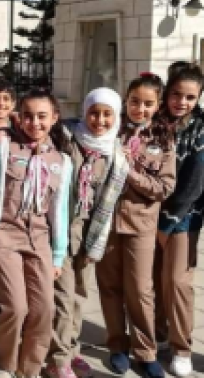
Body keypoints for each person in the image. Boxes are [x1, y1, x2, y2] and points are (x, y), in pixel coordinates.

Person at [0, 90, 72, 378]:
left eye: (42, 116)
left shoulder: (61, 161)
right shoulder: (2, 149)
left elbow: (59, 211)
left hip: (39, 239)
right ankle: (5, 364)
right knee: (14, 306)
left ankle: (29, 369)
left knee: (44, 309)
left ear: (54, 118)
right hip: (3, 234)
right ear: (18, 117)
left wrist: (58, 254)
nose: (34, 122)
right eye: (27, 115)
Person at [49, 88, 131, 378]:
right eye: (94, 112)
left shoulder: (117, 155)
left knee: (79, 294)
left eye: (107, 114)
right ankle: (57, 361)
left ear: (116, 117)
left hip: (91, 230)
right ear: (84, 112)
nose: (99, 120)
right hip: (61, 227)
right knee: (62, 295)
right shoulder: (67, 138)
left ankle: (71, 350)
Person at [100, 75, 178, 376]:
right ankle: (117, 345)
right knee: (109, 286)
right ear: (125, 101)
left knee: (141, 290)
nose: (139, 109)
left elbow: (163, 187)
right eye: (134, 101)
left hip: (140, 223)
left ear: (157, 106)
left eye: (148, 103)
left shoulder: (162, 140)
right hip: (106, 221)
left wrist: (129, 173)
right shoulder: (110, 131)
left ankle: (145, 352)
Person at [154, 64, 204, 377]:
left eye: (190, 97)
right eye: (176, 94)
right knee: (151, 281)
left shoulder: (201, 131)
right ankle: (158, 334)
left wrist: (167, 224)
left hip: (183, 219)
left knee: (177, 283)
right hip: (146, 215)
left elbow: (194, 185)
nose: (181, 101)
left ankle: (181, 347)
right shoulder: (154, 123)